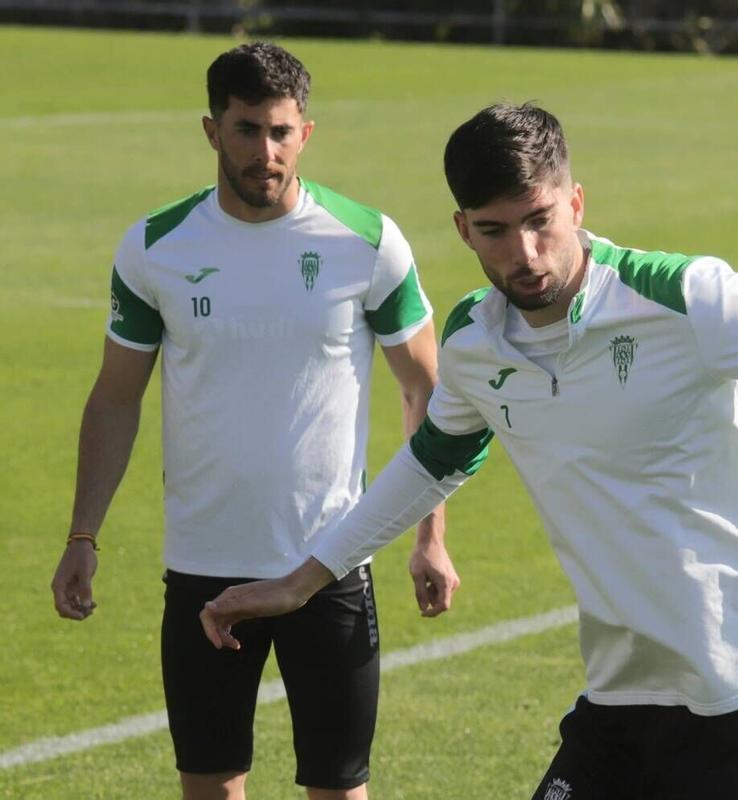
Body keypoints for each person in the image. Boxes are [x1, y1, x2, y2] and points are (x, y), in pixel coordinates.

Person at [197, 102, 738, 800]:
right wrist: (304, 580)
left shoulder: (686, 298)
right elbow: (431, 461)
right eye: (495, 231)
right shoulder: (475, 344)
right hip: (620, 697)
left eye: (540, 221)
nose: (524, 254)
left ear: (575, 202)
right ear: (461, 228)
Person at [49, 42, 452, 800]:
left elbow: (427, 394)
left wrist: (429, 538)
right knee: (210, 786)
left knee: (339, 790)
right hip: (203, 567)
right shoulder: (154, 249)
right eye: (245, 130)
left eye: (280, 132)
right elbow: (115, 398)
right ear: (211, 131)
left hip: (331, 563)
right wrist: (81, 537)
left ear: (307, 133)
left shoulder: (367, 244)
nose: (265, 152)